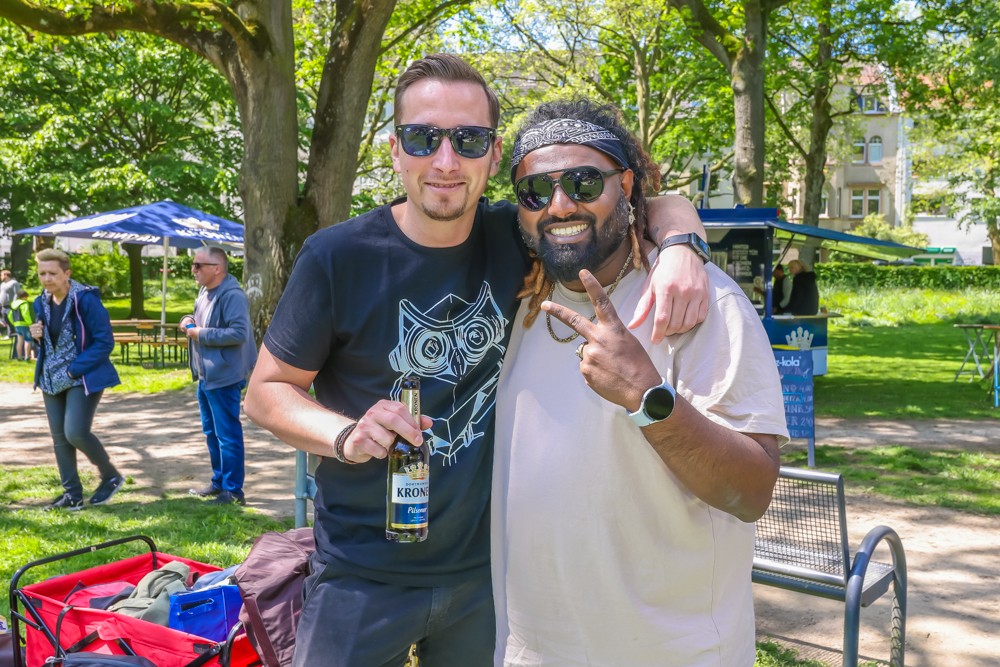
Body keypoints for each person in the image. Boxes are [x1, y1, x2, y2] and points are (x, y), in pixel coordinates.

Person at [244, 53, 711, 667]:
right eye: (422, 138)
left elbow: (632, 197)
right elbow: (266, 392)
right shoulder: (337, 256)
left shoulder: (520, 231)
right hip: (362, 573)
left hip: (489, 575)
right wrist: (347, 434)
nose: (445, 161)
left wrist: (681, 242)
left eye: (468, 140)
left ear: (493, 156)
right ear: (395, 150)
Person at [491, 99, 789, 666]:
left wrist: (647, 398)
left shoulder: (701, 302)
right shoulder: (516, 299)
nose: (559, 205)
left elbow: (751, 492)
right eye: (536, 192)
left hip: (672, 652)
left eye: (583, 182)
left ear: (626, 185)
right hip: (534, 650)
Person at [29, 249, 124, 510]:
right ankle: (72, 494)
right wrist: (33, 336)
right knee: (60, 438)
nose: (47, 279)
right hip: (50, 378)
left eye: (52, 273)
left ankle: (110, 475)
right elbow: (45, 343)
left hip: (80, 376)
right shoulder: (40, 302)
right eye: (42, 273)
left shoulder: (86, 300)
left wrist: (73, 370)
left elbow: (105, 342)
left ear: (67, 273)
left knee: (76, 432)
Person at [179, 246, 257, 506]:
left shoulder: (232, 295)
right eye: (194, 264)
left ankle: (233, 491)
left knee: (227, 434)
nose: (193, 270)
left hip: (224, 375)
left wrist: (198, 333)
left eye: (198, 265)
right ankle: (219, 482)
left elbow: (238, 333)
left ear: (217, 268)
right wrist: (188, 318)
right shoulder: (205, 291)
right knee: (212, 432)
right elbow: (198, 317)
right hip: (207, 375)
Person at [7, 287, 36, 360]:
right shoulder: (24, 303)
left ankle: (19, 357)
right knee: (28, 340)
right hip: (24, 324)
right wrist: (30, 323)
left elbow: (9, 315)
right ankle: (27, 357)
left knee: (19, 341)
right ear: (24, 297)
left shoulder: (13, 305)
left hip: (17, 324)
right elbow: (25, 313)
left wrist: (14, 323)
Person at [1, 268, 20, 340]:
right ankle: (10, 334)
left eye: (1, 275)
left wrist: (14, 303)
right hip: (3, 305)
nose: (1, 277)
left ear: (6, 275)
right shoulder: (2, 284)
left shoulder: (14, 283)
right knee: (6, 320)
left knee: (12, 320)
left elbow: (16, 293)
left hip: (11, 305)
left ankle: (15, 333)